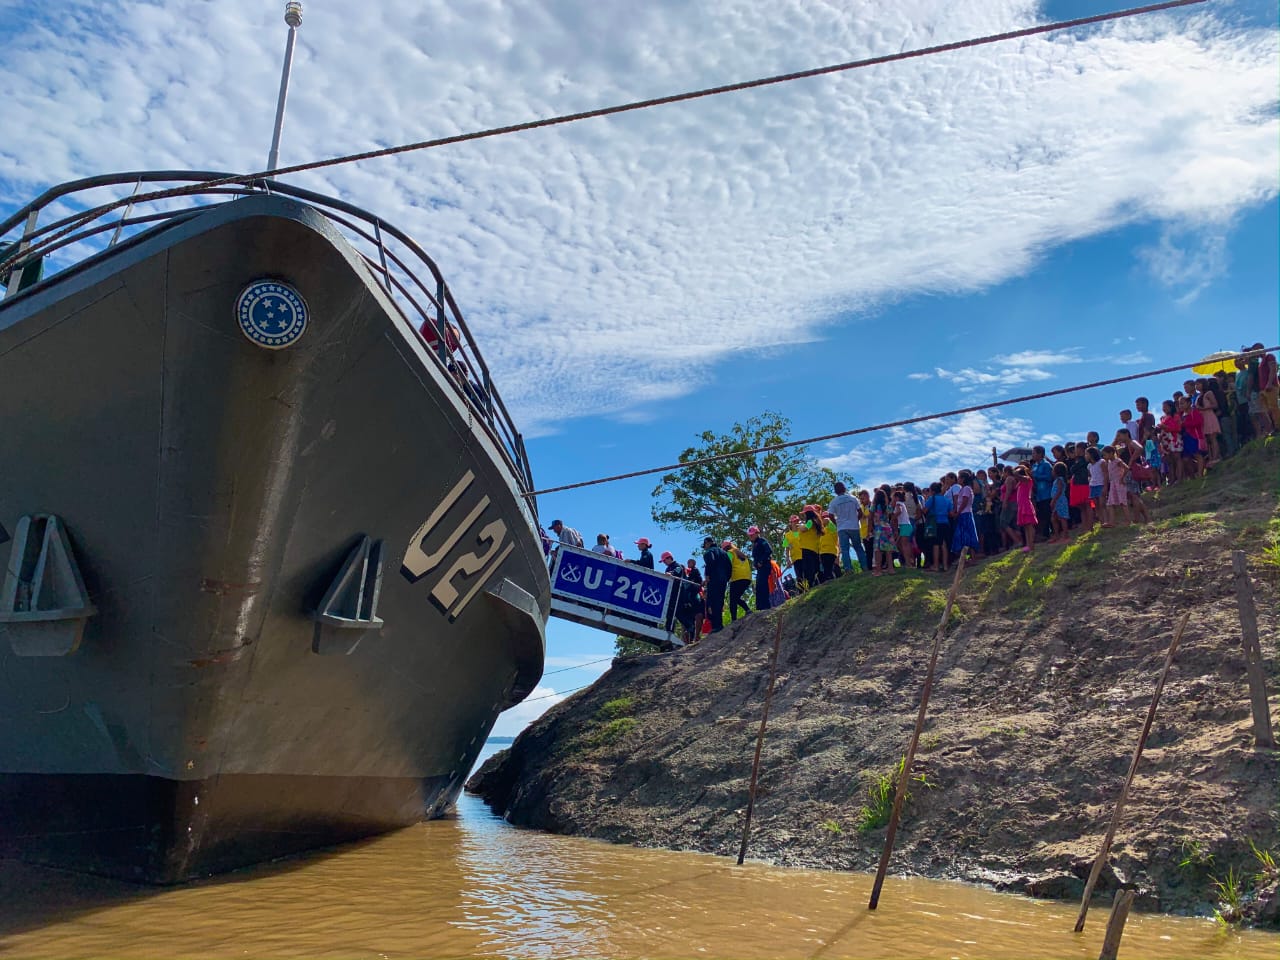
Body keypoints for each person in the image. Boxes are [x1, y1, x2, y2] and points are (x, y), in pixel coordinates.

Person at [828, 481, 868, 573]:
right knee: (858, 547)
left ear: (835, 491)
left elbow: (830, 515)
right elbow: (860, 512)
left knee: (845, 549)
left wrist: (836, 523)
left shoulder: (834, 502)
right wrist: (855, 520)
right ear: (844, 489)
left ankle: (848, 569)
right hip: (854, 527)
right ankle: (865, 567)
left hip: (842, 528)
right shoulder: (852, 498)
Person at [701, 537, 731, 633]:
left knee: (711, 602)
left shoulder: (709, 552)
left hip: (714, 579)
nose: (705, 548)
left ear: (707, 543)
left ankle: (715, 625)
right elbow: (729, 567)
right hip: (723, 580)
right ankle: (719, 624)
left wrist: (708, 575)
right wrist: (727, 578)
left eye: (705, 545)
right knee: (720, 600)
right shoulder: (724, 553)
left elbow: (711, 562)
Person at [725, 540, 753, 621]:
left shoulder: (730, 553)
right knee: (736, 598)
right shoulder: (741, 554)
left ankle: (734, 619)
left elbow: (727, 564)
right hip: (747, 578)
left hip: (737, 578)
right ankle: (748, 610)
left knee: (732, 600)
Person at [1030, 446, 1053, 542]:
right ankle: (1043, 534)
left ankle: (1049, 533)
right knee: (1041, 515)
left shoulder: (1046, 465)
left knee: (1047, 514)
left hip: (1046, 493)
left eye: (1034, 453)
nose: (1033, 455)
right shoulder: (1034, 466)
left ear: (1040, 454)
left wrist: (1036, 476)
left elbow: (1049, 477)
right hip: (1038, 494)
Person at [747, 526, 773, 610]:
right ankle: (759, 607)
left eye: (752, 535)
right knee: (758, 586)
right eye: (749, 535)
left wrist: (761, 561)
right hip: (759, 569)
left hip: (765, 566)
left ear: (757, 534)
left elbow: (769, 551)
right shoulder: (754, 544)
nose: (751, 537)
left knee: (763, 585)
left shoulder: (762, 541)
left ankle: (765, 606)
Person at [1015, 465, 1037, 553]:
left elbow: (1016, 474)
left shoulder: (1028, 479)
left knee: (1029, 525)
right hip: (1021, 505)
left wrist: (1021, 468)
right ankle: (1028, 545)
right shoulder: (1020, 483)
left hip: (1026, 504)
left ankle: (1031, 544)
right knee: (1025, 526)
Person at [1049, 462, 1070, 543]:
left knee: (1062, 518)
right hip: (1056, 500)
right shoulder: (1056, 480)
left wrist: (1054, 500)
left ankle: (1065, 535)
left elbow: (1059, 491)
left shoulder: (1059, 480)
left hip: (1059, 500)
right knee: (1053, 518)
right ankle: (1056, 535)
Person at [818, 512, 840, 582]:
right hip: (823, 552)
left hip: (831, 551)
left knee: (832, 568)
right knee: (826, 569)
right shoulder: (821, 530)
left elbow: (827, 521)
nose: (824, 519)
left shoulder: (832, 526)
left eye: (825, 517)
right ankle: (829, 581)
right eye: (823, 517)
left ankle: (835, 580)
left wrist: (827, 519)